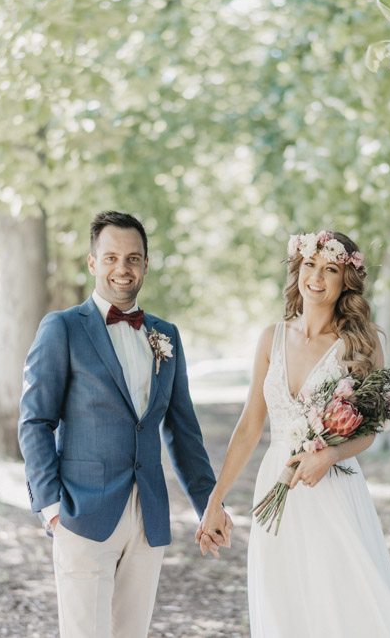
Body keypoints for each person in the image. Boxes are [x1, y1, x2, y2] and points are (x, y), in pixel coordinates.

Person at [19, 211, 232, 638]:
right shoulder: (61, 328)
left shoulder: (165, 335)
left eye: (133, 258)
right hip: (81, 514)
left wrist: (211, 504)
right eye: (112, 257)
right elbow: (35, 420)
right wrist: (53, 509)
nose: (123, 268)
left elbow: (182, 430)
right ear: (93, 262)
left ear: (146, 265)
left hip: (147, 516)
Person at [196, 230, 390, 637]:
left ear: (345, 281)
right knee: (284, 605)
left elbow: (371, 431)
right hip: (274, 485)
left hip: (331, 488)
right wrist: (215, 500)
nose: (316, 276)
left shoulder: (360, 343)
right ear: (298, 268)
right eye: (311, 265)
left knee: (343, 602)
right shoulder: (271, 337)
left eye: (330, 269)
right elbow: (249, 427)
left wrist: (329, 455)